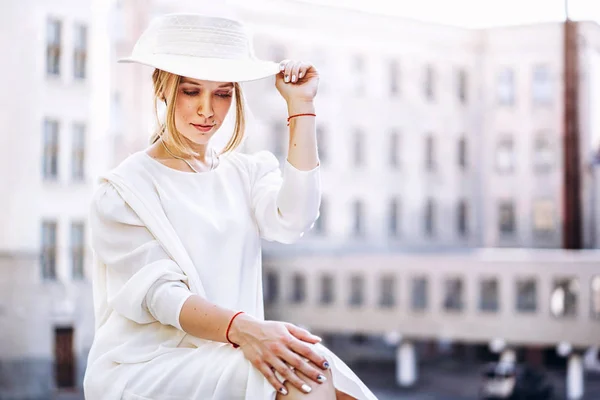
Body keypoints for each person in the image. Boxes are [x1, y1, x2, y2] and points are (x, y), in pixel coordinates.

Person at [83, 11, 378, 400]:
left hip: (232, 349)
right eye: (191, 91)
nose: (208, 109)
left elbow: (295, 220)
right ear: (163, 89)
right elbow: (162, 297)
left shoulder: (245, 172)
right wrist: (248, 329)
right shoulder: (123, 189)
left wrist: (300, 107)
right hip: (146, 366)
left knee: (318, 368)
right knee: (302, 375)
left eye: (222, 93)